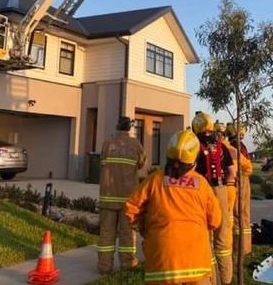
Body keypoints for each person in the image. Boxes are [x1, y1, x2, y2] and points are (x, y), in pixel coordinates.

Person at [125, 129, 221, 284]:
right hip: (196, 262)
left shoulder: (154, 179)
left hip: (162, 262)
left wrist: (146, 230)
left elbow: (131, 207)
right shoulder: (202, 184)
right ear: (194, 160)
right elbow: (215, 220)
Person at [97, 116, 146, 274]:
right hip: (128, 199)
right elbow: (141, 164)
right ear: (129, 129)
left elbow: (102, 161)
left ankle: (104, 266)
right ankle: (128, 264)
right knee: (127, 235)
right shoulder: (136, 145)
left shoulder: (107, 144)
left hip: (108, 197)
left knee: (106, 234)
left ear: (117, 127)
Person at [192, 112, 235, 285]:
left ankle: (210, 279)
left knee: (206, 236)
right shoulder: (221, 146)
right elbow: (232, 172)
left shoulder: (194, 145)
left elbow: (190, 170)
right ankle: (226, 278)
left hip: (204, 191)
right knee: (222, 235)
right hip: (222, 190)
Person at [227, 122, 253, 256]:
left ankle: (240, 247)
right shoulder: (241, 146)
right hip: (242, 180)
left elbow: (245, 165)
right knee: (242, 213)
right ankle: (243, 246)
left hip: (239, 181)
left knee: (238, 213)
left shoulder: (234, 147)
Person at [214, 122, 237, 232]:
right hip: (232, 186)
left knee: (219, 216)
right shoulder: (233, 149)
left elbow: (232, 172)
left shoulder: (221, 148)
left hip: (224, 186)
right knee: (229, 215)